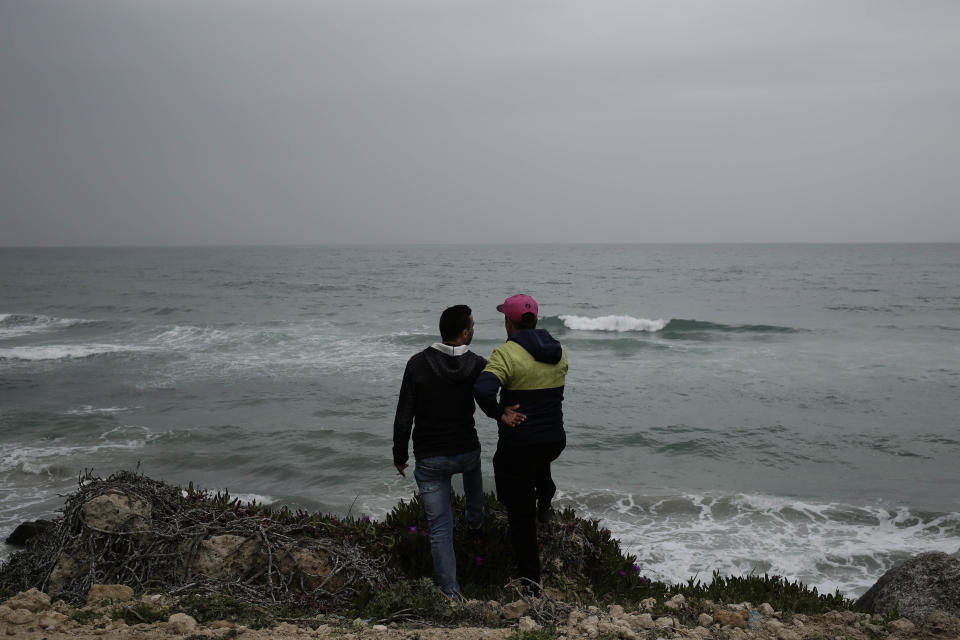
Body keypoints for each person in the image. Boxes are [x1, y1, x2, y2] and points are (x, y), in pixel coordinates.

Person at [474, 294, 568, 590]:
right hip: (553, 440)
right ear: (535, 320)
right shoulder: (559, 351)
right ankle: (547, 494)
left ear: (508, 323)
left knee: (518, 508)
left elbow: (483, 390)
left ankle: (531, 581)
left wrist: (500, 412)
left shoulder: (506, 353)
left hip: (521, 444)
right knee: (535, 457)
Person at [392, 304, 488, 595]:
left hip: (430, 459)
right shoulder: (477, 364)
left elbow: (404, 414)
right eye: (472, 325)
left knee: (440, 530)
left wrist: (400, 455)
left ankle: (451, 594)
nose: (474, 329)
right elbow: (489, 401)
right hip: (466, 452)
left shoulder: (418, 363)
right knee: (472, 474)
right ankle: (475, 521)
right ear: (464, 332)